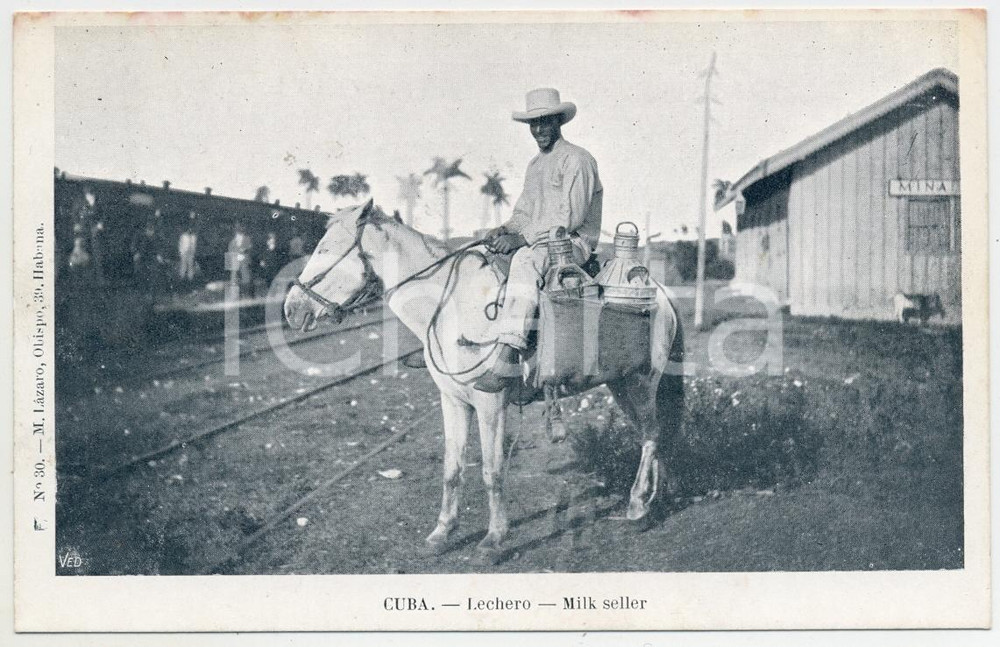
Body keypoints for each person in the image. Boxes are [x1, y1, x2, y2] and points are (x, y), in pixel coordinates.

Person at [474, 87, 603, 392]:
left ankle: (508, 357)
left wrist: (520, 240)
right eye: (534, 124)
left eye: (545, 122)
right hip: (541, 240)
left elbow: (568, 219)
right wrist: (504, 229)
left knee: (525, 260)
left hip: (570, 244)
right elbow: (524, 212)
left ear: (559, 121)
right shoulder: (535, 164)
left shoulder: (577, 160)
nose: (539, 130)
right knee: (485, 261)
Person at [178, 213, 199, 284]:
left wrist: (193, 252)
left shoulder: (193, 237)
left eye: (191, 229)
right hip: (184, 253)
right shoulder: (184, 236)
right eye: (189, 229)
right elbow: (180, 245)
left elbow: (194, 245)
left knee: (190, 266)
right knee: (183, 265)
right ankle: (182, 279)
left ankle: (190, 280)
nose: (190, 230)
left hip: (191, 252)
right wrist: (181, 253)